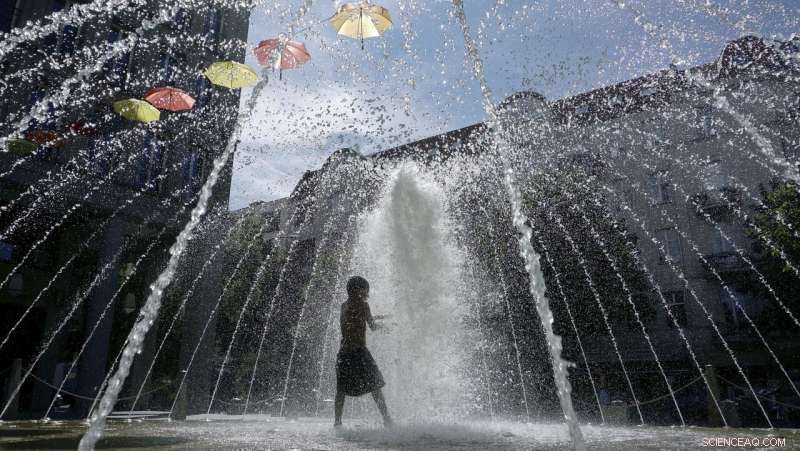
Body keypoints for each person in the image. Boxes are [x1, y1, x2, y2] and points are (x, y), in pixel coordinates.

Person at [334, 276, 393, 428]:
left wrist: (381, 316)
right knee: (375, 385)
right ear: (357, 289)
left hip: (344, 353)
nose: (367, 292)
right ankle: (387, 419)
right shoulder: (363, 305)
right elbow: (372, 325)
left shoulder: (344, 305)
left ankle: (337, 422)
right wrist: (385, 326)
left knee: (341, 390)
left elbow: (359, 320)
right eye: (365, 289)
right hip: (359, 352)